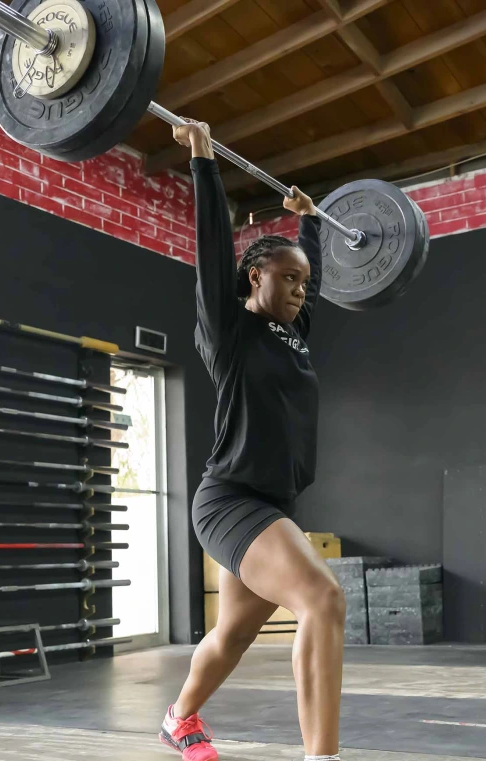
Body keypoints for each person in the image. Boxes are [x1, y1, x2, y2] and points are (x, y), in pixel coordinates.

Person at [158, 121, 346, 761]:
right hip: (233, 500)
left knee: (233, 634)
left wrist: (309, 223)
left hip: (274, 503)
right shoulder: (230, 331)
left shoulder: (294, 332)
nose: (298, 290)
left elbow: (313, 283)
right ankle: (322, 756)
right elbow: (213, 250)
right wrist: (205, 164)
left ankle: (179, 719)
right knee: (323, 600)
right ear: (253, 277)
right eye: (286, 279)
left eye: (301, 280)